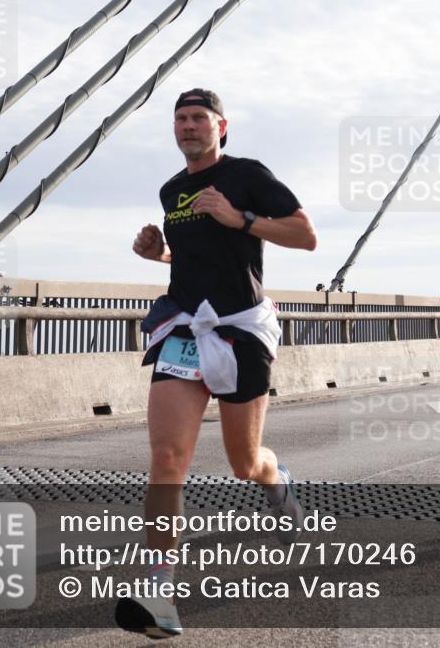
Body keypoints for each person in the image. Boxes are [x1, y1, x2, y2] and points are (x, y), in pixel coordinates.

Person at [116, 89, 317, 639]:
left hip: (241, 329)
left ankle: (278, 484)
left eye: (198, 118)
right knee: (166, 459)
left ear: (220, 127)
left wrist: (241, 216)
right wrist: (157, 253)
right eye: (179, 118)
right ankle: (160, 595)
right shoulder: (172, 189)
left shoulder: (247, 174)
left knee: (243, 462)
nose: (187, 126)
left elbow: (306, 236)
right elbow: (196, 253)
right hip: (184, 327)